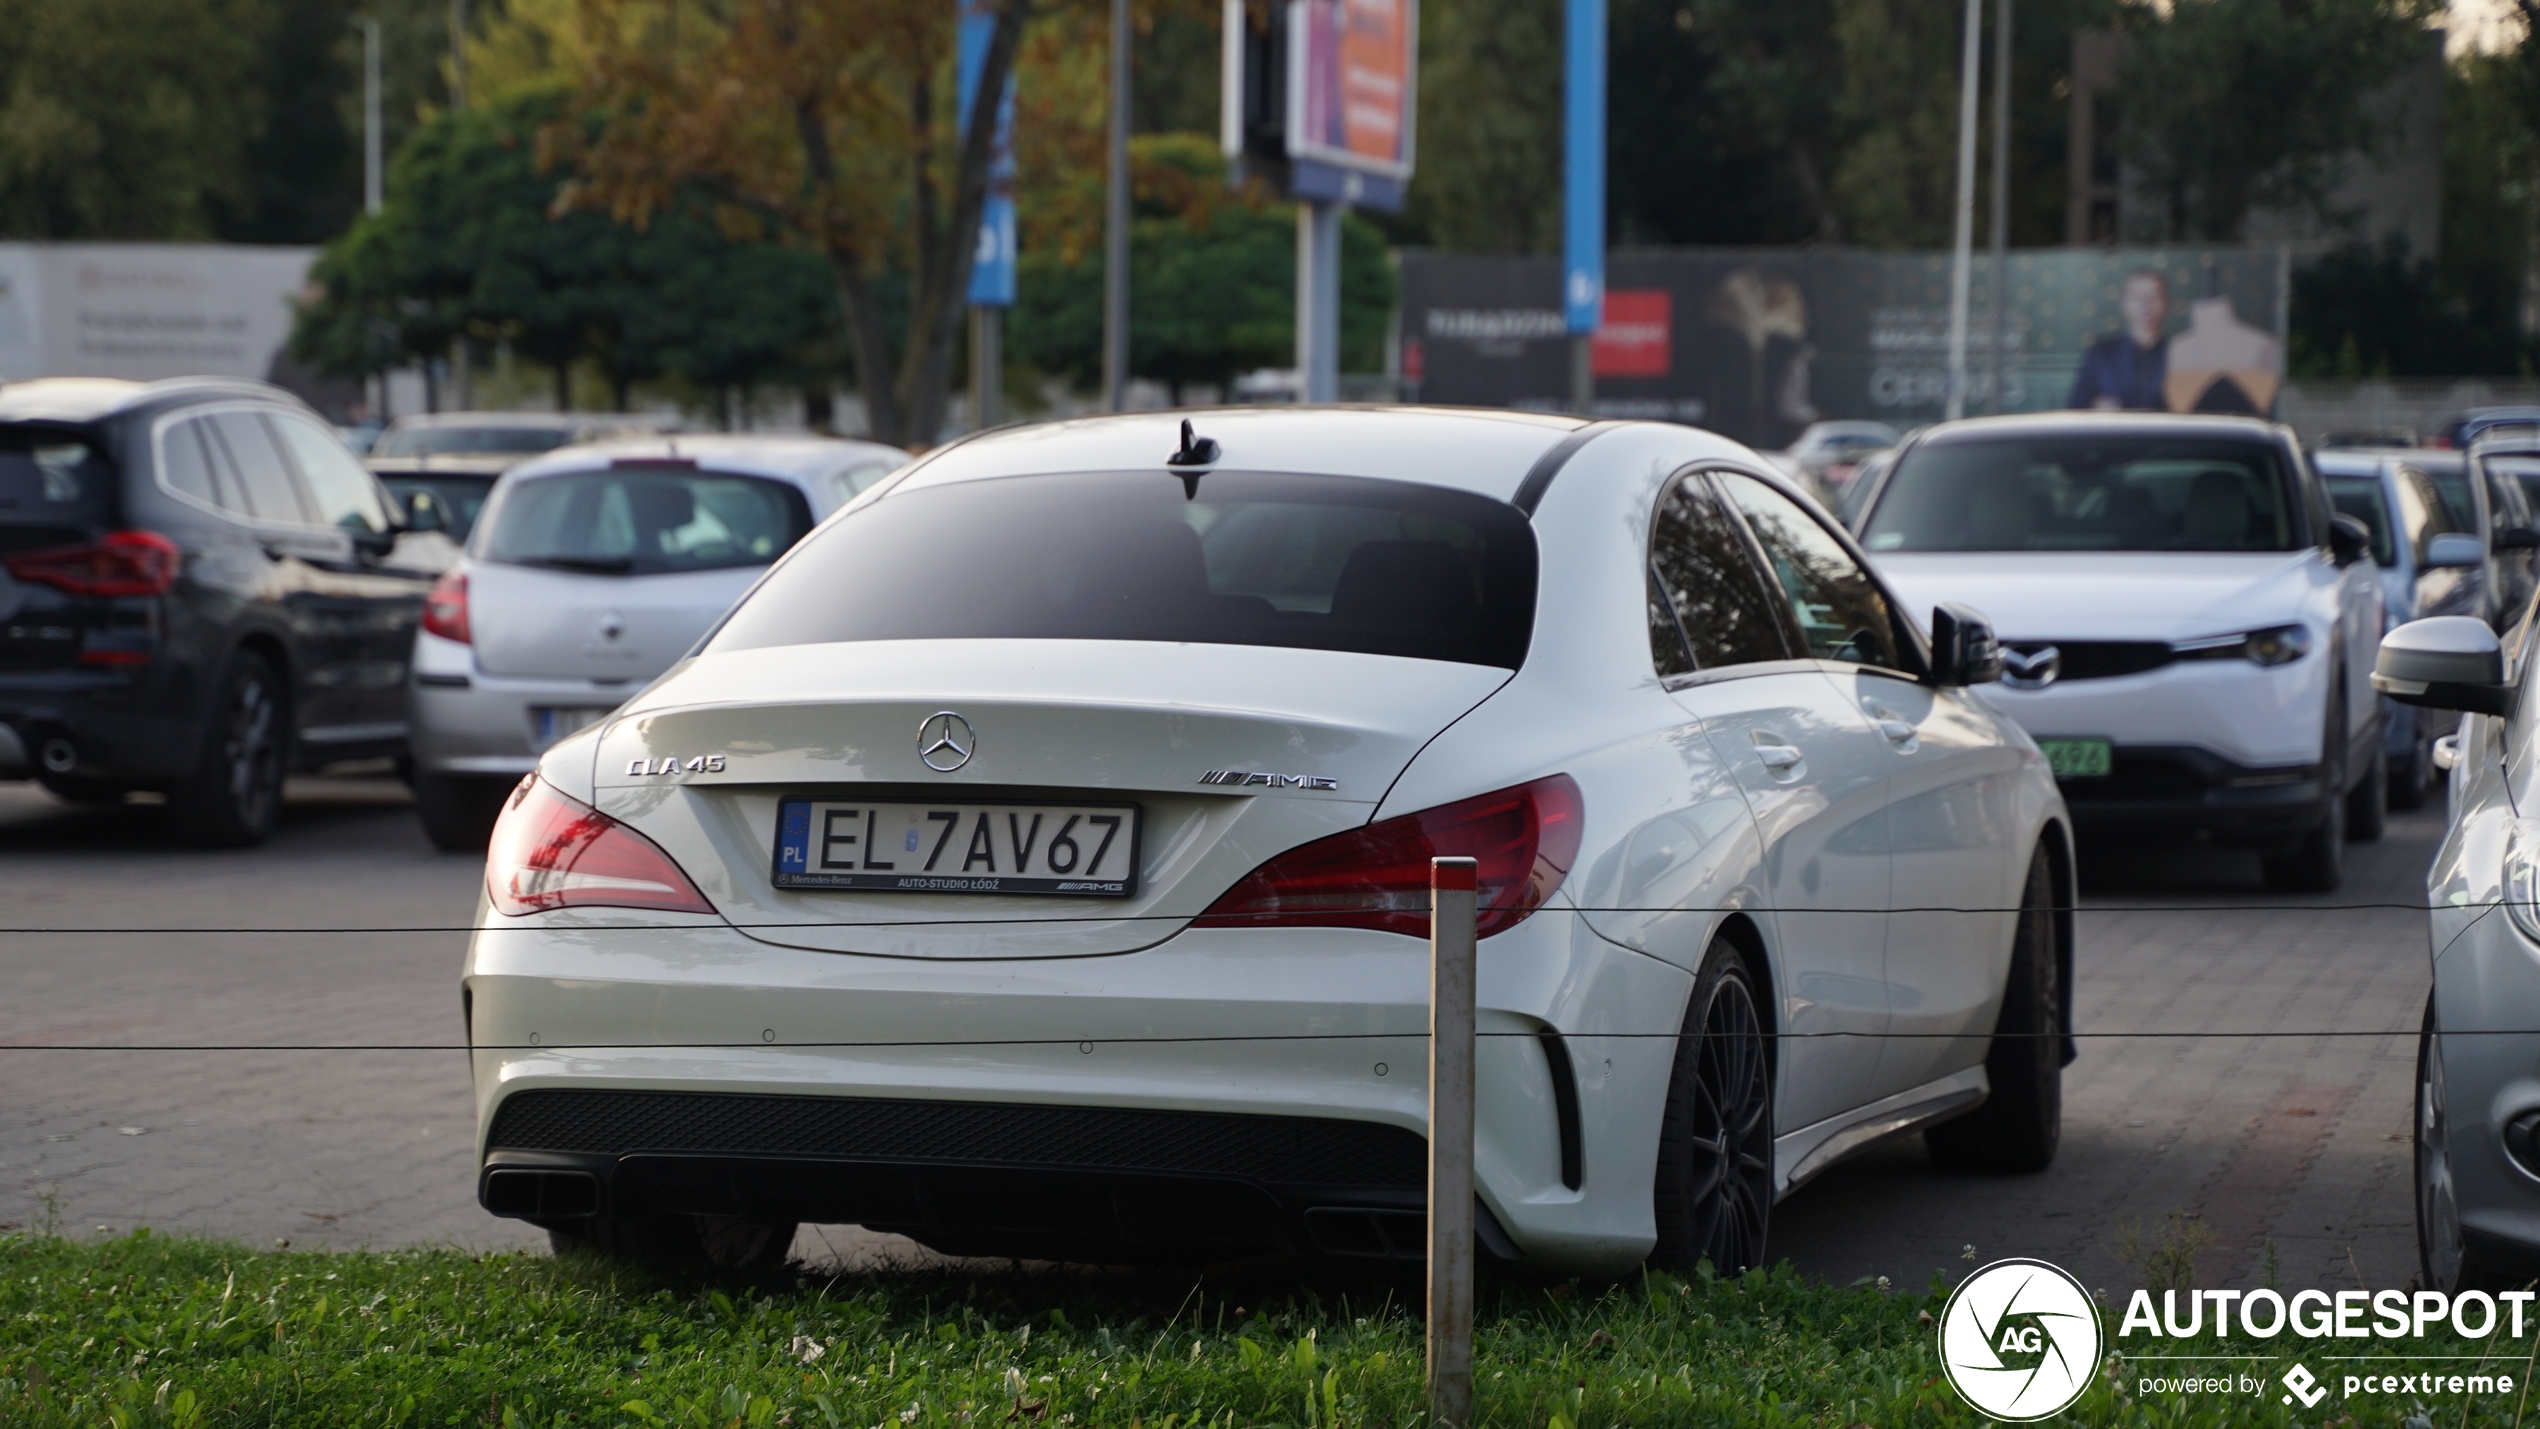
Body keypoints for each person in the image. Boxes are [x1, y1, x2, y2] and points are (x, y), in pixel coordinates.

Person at [2068, 268, 2171, 411]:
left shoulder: (2180, 355)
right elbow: (2075, 409)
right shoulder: (2101, 355)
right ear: (2124, 304)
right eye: (2137, 298)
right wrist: (2097, 410)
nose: (2145, 306)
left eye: (2153, 297)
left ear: (2166, 303)